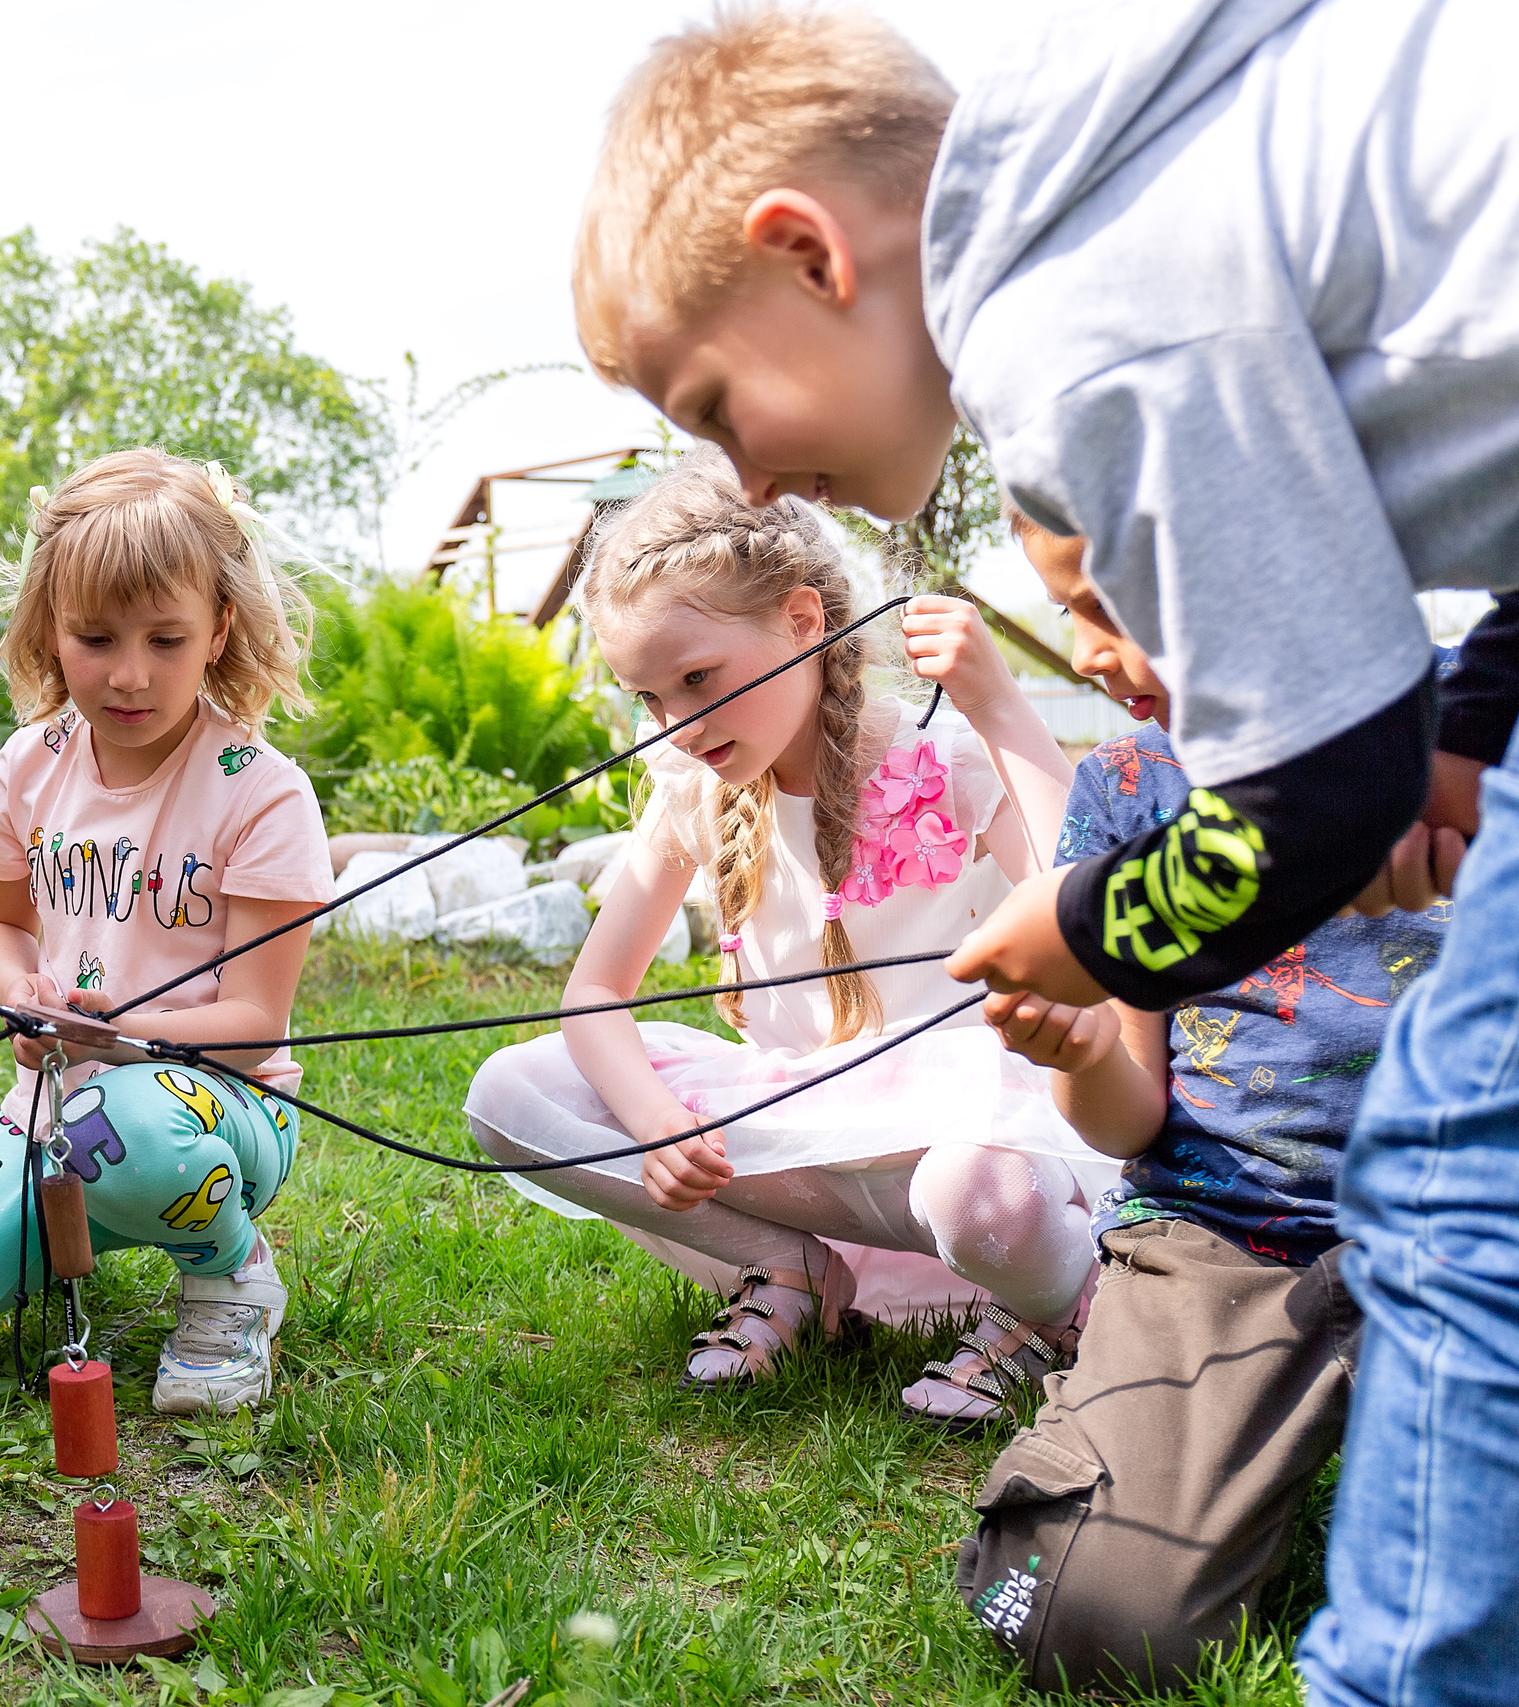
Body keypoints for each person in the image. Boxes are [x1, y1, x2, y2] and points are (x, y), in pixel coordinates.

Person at [568, 8, 1519, 1695]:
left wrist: (1084, 927)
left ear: (810, 254)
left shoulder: (1075, 323)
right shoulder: (1176, 188)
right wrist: (1471, 716)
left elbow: (1324, 778)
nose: (746, 468)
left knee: (1452, 1167)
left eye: (719, 400)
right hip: (1228, 1217)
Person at [464, 455, 1107, 1422]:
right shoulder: (694, 790)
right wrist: (656, 1120)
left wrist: (999, 703)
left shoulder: (943, 758)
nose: (676, 725)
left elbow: (1086, 911)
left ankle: (1051, 1312)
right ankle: (793, 1273)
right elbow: (595, 995)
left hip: (949, 1154)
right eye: (649, 699)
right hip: (803, 1144)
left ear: (804, 623)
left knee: (986, 1191)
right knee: (509, 1091)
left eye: (696, 679)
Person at [957, 512, 1450, 1690]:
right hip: (1231, 1235)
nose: (1080, 651)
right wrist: (1078, 1054)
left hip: (1466, 1232)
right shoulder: (1125, 786)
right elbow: (1135, 1116)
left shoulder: (1479, 734)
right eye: (1065, 609)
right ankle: (1142, 1430)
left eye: (1100, 608)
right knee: (1085, 1626)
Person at [0, 450, 334, 1415]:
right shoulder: (30, 763)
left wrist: (122, 1037)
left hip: (218, 1118)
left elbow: (258, 1021)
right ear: (49, 626)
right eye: (95, 637)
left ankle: (231, 1268)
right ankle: (57, 1235)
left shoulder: (261, 792)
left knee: (131, 1130)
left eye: (166, 639)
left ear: (220, 627)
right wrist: (21, 993)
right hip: (50, 1115)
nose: (129, 674)